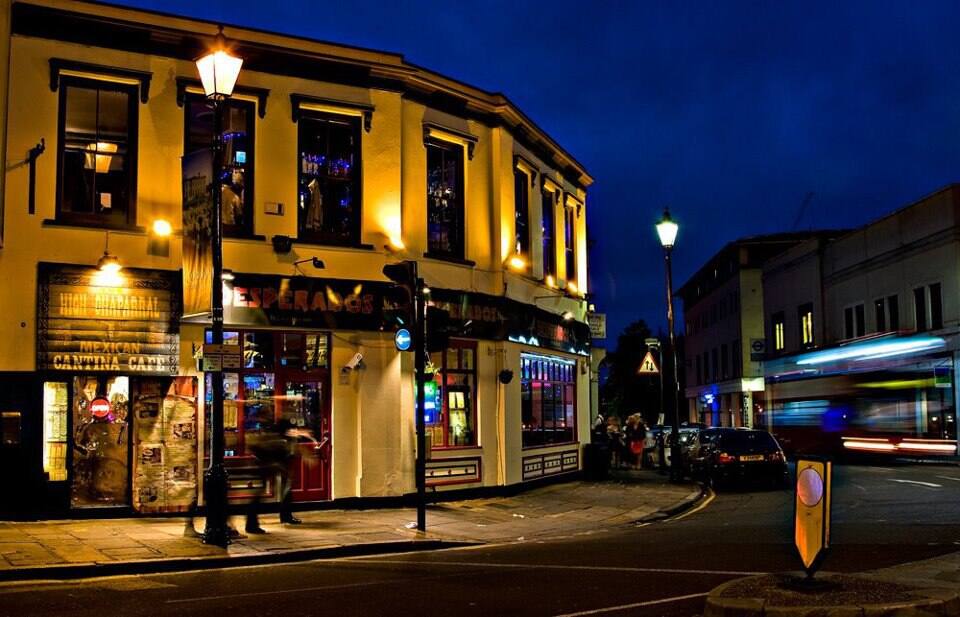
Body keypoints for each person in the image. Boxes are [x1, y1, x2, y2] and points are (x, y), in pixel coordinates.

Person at [245, 418, 317, 533]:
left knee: (278, 492)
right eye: (291, 429)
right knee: (258, 497)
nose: (293, 430)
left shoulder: (281, 439)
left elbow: (291, 452)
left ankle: (258, 522)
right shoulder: (279, 441)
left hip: (268, 468)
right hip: (264, 469)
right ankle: (252, 524)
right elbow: (280, 454)